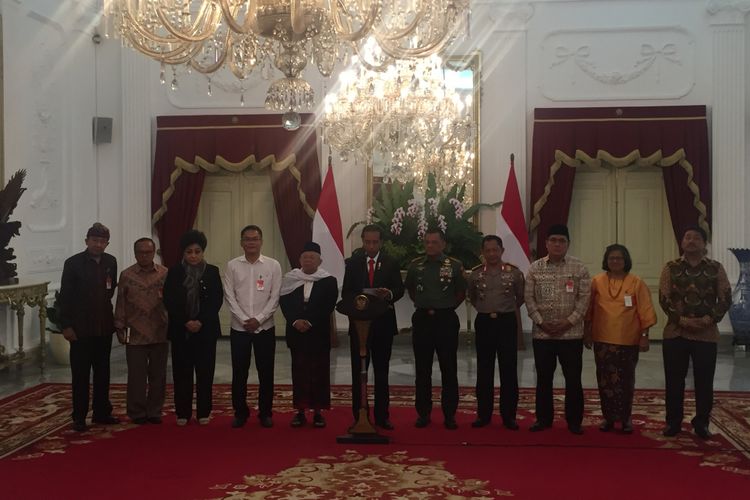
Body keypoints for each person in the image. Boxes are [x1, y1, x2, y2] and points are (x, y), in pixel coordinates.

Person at [658, 226, 731, 439]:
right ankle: (673, 423)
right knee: (673, 380)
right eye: (687, 237)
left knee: (704, 380)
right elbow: (664, 298)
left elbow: (725, 297)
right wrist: (681, 320)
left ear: (704, 243)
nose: (691, 241)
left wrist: (709, 319)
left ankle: (702, 423)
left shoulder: (715, 268)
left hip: (706, 333)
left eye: (696, 238)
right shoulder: (670, 268)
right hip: (675, 332)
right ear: (682, 242)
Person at [525, 224, 591, 434]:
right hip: (543, 334)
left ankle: (574, 422)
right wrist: (541, 322)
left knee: (573, 379)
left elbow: (584, 300)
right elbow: (529, 298)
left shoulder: (579, 268)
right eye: (553, 240)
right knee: (543, 379)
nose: (557, 244)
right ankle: (543, 419)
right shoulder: (535, 268)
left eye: (562, 241)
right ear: (546, 243)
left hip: (571, 334)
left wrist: (567, 322)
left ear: (568, 244)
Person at [584, 244, 656, 434]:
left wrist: (644, 336)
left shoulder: (636, 282)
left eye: (619, 258)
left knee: (625, 381)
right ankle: (608, 418)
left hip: (627, 340)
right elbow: (589, 310)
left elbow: (645, 311)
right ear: (606, 261)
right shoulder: (596, 281)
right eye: (611, 258)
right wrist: (587, 332)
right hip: (602, 339)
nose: (615, 261)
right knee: (605, 381)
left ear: (626, 261)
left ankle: (625, 418)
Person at [341, 224, 405, 429]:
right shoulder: (352, 263)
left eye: (375, 242)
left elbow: (399, 289)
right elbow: (347, 293)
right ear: (362, 241)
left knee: (381, 372)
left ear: (381, 242)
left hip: (382, 325)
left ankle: (382, 416)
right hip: (359, 327)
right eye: (367, 242)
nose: (371, 246)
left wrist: (389, 294)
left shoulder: (391, 262)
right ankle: (359, 414)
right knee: (358, 372)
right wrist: (359, 299)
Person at [59, 222, 119, 432]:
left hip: (103, 328)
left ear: (107, 243)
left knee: (103, 372)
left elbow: (110, 291)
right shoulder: (73, 263)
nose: (98, 244)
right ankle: (79, 416)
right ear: (87, 241)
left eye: (103, 241)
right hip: (80, 329)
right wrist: (66, 325)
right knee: (81, 375)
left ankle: (102, 412)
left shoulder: (111, 262)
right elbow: (64, 297)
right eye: (95, 240)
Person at [404, 229, 466, 430]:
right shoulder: (416, 266)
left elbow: (460, 293)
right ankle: (423, 413)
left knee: (449, 368)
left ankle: (449, 414)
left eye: (434, 242)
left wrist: (443, 307)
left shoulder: (454, 266)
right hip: (422, 319)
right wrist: (427, 304)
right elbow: (412, 291)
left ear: (443, 244)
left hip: (446, 319)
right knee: (422, 369)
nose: (430, 246)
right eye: (427, 242)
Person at [223, 225, 282, 429]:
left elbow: (275, 297)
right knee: (240, 372)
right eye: (247, 239)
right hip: (239, 329)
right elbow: (229, 296)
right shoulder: (232, 266)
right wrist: (243, 319)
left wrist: (259, 319)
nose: (251, 243)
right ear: (241, 242)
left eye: (255, 239)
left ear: (261, 241)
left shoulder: (273, 265)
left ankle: (265, 413)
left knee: (266, 372)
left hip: (265, 328)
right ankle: (240, 412)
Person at [162, 230, 223, 426]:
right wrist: (186, 321)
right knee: (182, 372)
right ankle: (183, 412)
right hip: (181, 330)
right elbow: (169, 300)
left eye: (197, 251)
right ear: (184, 253)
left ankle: (204, 411)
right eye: (189, 252)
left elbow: (216, 300)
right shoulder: (174, 272)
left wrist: (200, 321)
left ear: (203, 252)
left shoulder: (212, 271)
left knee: (205, 372)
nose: (193, 256)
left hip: (206, 330)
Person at [467, 235, 525, 430]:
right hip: (484, 322)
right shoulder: (475, 274)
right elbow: (473, 298)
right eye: (488, 250)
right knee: (484, 370)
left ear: (502, 251)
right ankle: (483, 415)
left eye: (495, 250)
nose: (492, 254)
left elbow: (520, 297)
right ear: (482, 252)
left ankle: (509, 416)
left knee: (508, 369)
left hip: (506, 322)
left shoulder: (514, 273)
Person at [279, 242, 338, 428]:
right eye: (305, 257)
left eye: (312, 257)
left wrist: (309, 321)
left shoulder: (328, 280)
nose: (308, 260)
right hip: (297, 332)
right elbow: (285, 303)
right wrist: (296, 321)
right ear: (300, 260)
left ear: (319, 260)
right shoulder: (290, 278)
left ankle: (319, 412)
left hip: (318, 332)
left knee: (319, 373)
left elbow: (327, 306)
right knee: (299, 373)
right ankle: (300, 411)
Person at [114, 237, 169, 425]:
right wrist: (119, 326)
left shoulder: (164, 273)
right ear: (135, 253)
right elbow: (120, 302)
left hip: (159, 331)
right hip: (134, 332)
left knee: (158, 375)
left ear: (154, 253)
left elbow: (171, 302)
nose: (144, 255)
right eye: (140, 252)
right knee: (136, 376)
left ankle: (155, 411)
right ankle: (136, 412)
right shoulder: (126, 275)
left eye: (148, 252)